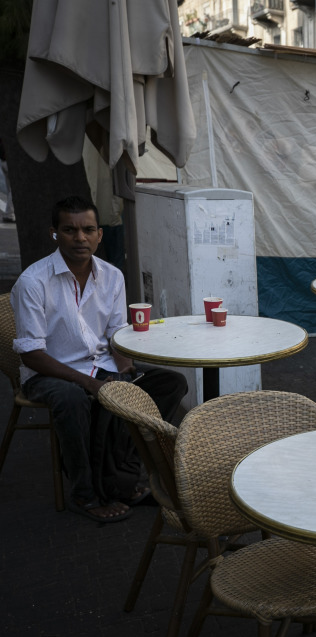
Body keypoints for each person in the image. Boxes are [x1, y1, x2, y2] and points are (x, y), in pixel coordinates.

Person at [11, 196, 187, 523]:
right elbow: (32, 354)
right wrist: (90, 382)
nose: (80, 238)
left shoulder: (112, 276)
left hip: (100, 366)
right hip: (49, 374)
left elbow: (116, 334)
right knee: (73, 398)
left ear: (99, 235)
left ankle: (121, 474)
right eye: (70, 230)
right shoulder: (33, 282)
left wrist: (125, 368)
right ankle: (85, 494)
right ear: (55, 233)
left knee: (170, 382)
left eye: (88, 229)